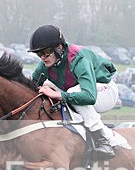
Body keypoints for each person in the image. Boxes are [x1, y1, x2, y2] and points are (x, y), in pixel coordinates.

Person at [29, 25, 120, 161]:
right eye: (38, 54)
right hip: (81, 91)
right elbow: (31, 86)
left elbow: (90, 97)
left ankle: (102, 139)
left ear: (59, 47)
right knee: (46, 86)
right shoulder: (45, 64)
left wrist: (59, 95)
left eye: (46, 52)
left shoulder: (78, 59)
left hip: (105, 91)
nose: (43, 57)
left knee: (73, 92)